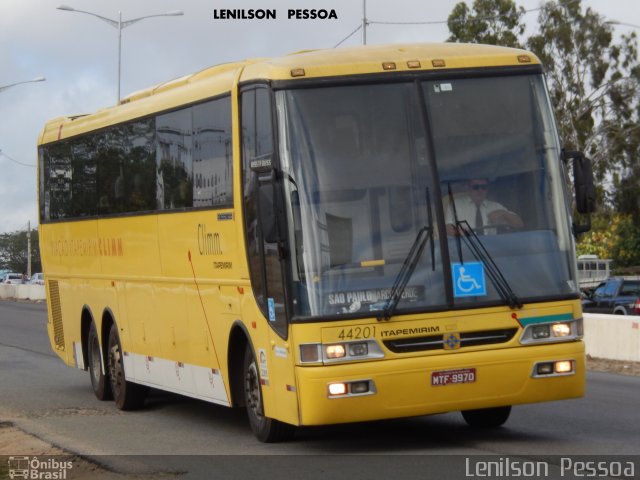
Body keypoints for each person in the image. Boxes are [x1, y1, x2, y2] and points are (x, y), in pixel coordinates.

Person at [444, 178, 523, 235]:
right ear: (468, 189)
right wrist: (460, 233)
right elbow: (448, 227)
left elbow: (519, 224)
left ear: (487, 189)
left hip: (490, 250)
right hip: (466, 248)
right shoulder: (456, 204)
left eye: (484, 187)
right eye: (476, 187)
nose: (480, 190)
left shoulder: (494, 206)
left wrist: (504, 213)